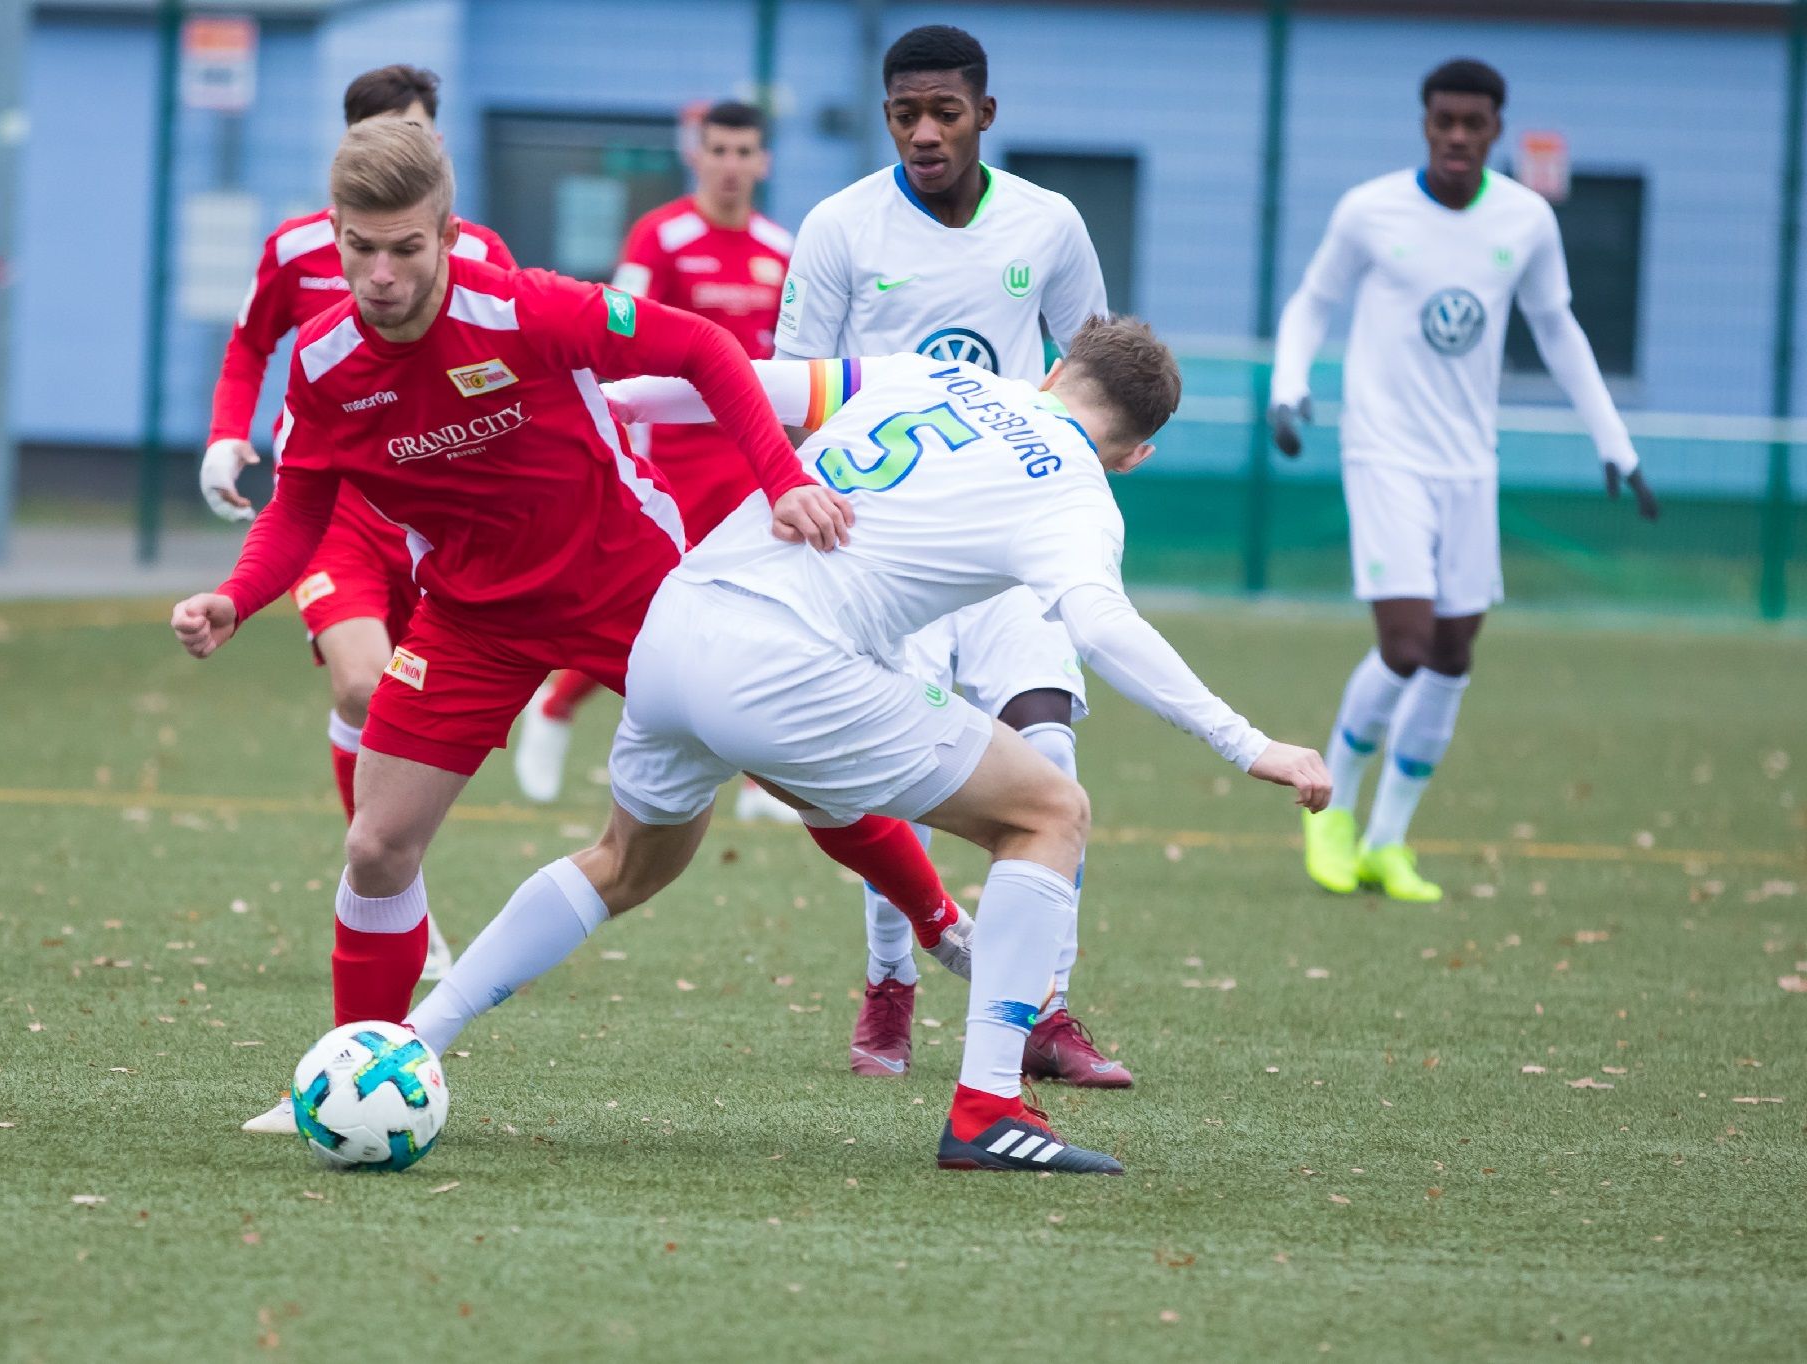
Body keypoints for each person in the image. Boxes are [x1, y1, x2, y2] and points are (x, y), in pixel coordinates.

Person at [174, 121, 965, 1135]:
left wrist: (784, 479)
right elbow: (298, 506)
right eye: (358, 248)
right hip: (473, 616)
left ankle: (943, 928)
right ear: (333, 237)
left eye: (404, 248)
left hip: (630, 587)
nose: (378, 274)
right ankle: (349, 1073)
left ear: (446, 234)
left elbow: (702, 346)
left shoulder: (523, 305)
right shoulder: (327, 367)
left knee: (795, 767)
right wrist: (234, 597)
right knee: (375, 844)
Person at [404, 319, 1330, 1173]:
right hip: (786, 665)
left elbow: (738, 383)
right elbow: (1100, 623)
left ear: (1054, 371)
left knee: (622, 863)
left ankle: (411, 1043)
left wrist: (609, 402)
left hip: (679, 620)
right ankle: (987, 1110)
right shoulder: (1080, 490)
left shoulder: (929, 372)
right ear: (1136, 455)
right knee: (1051, 811)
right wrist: (1245, 742)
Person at [773, 24, 1122, 1084]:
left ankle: (1042, 1010)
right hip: (890, 549)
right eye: (903, 114)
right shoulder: (839, 226)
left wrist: (1075, 497)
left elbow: (1095, 366)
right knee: (897, 775)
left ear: (984, 115)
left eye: (944, 112)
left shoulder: (1048, 225)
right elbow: (792, 386)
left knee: (1048, 759)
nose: (924, 132)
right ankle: (891, 984)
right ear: (885, 117)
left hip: (1010, 540)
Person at [1270, 58, 1657, 903]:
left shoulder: (1525, 220)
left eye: (1472, 124)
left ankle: (1388, 841)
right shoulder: (1371, 209)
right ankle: (1328, 811)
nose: (1455, 136)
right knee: (1406, 644)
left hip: (1468, 463)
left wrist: (1614, 441)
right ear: (1425, 123)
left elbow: (1559, 330)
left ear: (1495, 132)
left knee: (1452, 655)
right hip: (1384, 451)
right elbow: (1309, 302)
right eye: (1442, 120)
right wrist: (1288, 388)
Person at [198, 65, 514, 994]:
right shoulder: (298, 248)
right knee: (365, 683)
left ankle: (388, 876)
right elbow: (253, 342)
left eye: (419, 133)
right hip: (334, 510)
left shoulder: (479, 254)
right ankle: (387, 882)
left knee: (411, 711)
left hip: (436, 521)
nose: (380, 270)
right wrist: (227, 437)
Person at [515, 99, 799, 823]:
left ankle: (762, 783)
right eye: (720, 150)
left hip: (751, 459)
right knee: (657, 608)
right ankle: (555, 704)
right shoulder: (660, 236)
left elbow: (794, 360)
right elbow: (624, 333)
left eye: (745, 152)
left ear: (764, 162)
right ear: (695, 155)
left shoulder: (781, 247)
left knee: (766, 609)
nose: (732, 164)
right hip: (669, 459)